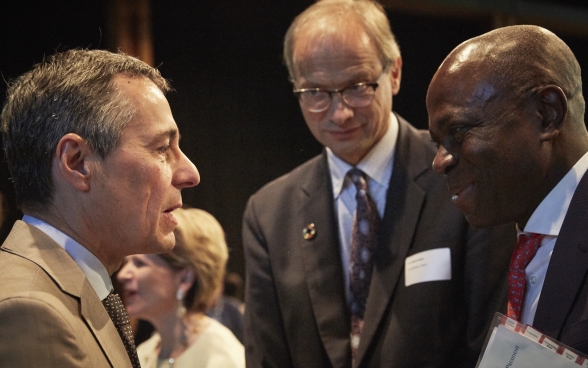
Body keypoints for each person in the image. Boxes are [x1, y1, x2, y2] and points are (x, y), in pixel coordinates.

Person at [242, 1, 516, 367]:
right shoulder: (269, 213)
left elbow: (491, 342)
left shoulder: (464, 176)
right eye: (316, 94)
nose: (340, 113)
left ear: (395, 73)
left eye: (358, 87)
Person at [0, 49, 200, 367]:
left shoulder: (72, 288)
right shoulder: (30, 312)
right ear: (77, 163)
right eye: (163, 148)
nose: (190, 174)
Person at [427, 25, 588, 355]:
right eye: (437, 142)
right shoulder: (511, 242)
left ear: (547, 114)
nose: (439, 162)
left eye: (458, 130)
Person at [117, 208, 245, 368]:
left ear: (185, 279)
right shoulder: (144, 353)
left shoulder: (222, 358)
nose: (122, 275)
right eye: (126, 263)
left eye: (139, 263)